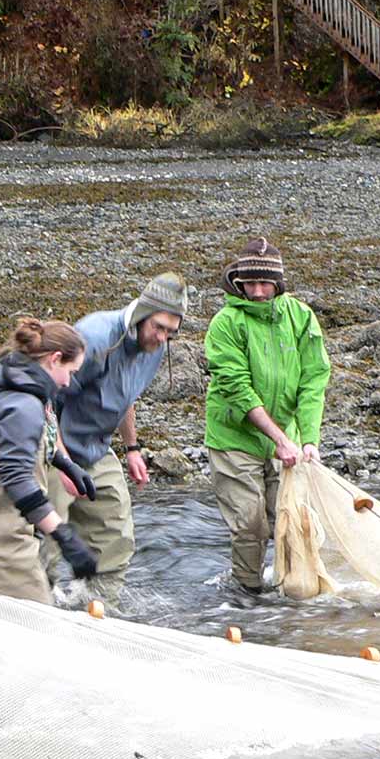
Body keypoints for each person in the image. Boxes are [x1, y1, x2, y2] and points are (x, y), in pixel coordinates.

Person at [43, 272, 189, 604]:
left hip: (97, 446)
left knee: (116, 534)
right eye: (159, 327)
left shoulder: (154, 345)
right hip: (52, 446)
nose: (163, 337)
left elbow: (125, 396)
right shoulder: (95, 339)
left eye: (171, 331)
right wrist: (63, 463)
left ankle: (98, 610)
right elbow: (45, 402)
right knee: (47, 540)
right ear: (141, 315)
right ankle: (39, 609)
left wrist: (132, 448)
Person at [0, 319, 99, 605]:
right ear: (54, 359)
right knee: (37, 627)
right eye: (70, 372)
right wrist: (64, 536)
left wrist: (61, 461)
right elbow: (16, 478)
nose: (68, 383)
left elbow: (1, 445)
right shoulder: (24, 405)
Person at [204, 237, 331, 594]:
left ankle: (294, 596)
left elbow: (314, 378)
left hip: (286, 438)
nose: (258, 292)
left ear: (279, 283)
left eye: (265, 283)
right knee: (250, 524)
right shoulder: (226, 323)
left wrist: (308, 439)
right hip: (234, 438)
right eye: (250, 284)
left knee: (292, 523)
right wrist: (279, 440)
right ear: (238, 283)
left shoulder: (300, 316)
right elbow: (237, 388)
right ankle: (247, 598)